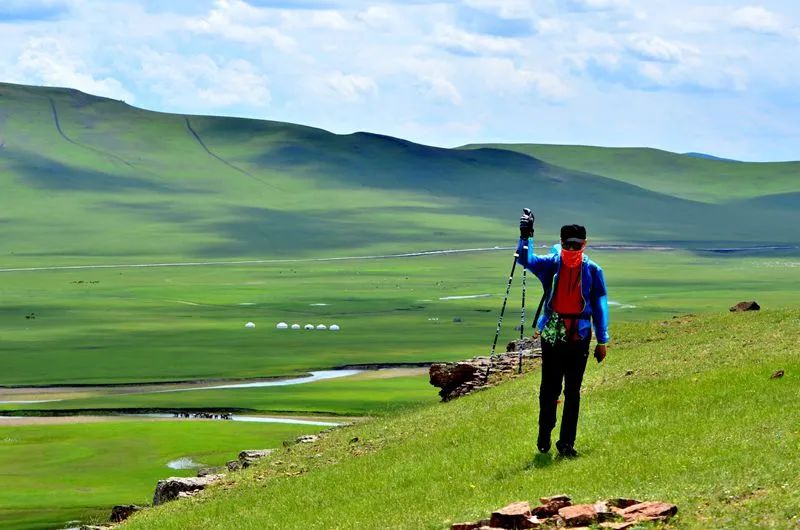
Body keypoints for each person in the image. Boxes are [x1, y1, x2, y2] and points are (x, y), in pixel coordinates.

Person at [517, 209, 610, 458]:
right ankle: (545, 435)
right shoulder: (552, 264)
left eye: (576, 245)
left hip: (578, 337)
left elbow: (600, 305)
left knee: (572, 391)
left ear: (585, 244)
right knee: (550, 389)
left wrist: (602, 340)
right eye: (568, 244)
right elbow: (526, 260)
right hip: (555, 336)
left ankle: (566, 443)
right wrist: (526, 236)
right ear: (561, 243)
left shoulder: (592, 270)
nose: (572, 248)